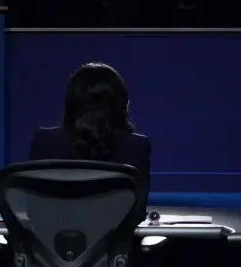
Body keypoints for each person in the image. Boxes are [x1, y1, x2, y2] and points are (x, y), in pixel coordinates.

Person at [30, 62, 152, 192]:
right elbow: (140, 202)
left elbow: (33, 199)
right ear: (122, 105)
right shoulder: (137, 147)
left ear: (71, 103)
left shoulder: (43, 142)